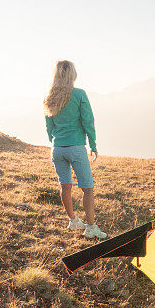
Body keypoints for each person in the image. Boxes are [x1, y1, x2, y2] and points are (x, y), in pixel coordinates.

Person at [44, 60, 107, 239]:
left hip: (57, 148)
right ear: (73, 74)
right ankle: (91, 227)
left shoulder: (49, 96)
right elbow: (88, 122)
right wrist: (93, 145)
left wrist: (54, 140)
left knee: (65, 186)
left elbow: (49, 126)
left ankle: (73, 221)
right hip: (76, 147)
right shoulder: (79, 94)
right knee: (87, 188)